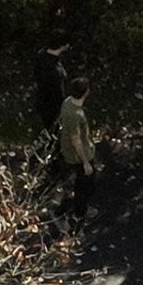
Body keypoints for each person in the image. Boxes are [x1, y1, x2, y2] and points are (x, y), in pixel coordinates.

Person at [56, 77, 97, 225]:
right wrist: (85, 161)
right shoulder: (77, 115)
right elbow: (76, 139)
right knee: (85, 184)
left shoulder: (67, 102)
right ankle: (81, 211)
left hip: (66, 149)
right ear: (85, 93)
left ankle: (70, 198)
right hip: (80, 155)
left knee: (78, 179)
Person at [33, 32, 70, 136]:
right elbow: (58, 92)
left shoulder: (41, 58)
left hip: (42, 105)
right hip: (52, 109)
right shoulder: (54, 69)